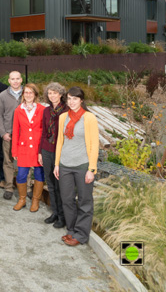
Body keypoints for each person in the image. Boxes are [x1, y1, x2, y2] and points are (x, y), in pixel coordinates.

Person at [54, 87, 99, 246]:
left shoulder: (89, 118)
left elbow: (94, 144)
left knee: (85, 201)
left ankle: (81, 235)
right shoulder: (63, 117)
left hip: (82, 166)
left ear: (81, 100)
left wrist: (91, 169)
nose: (72, 102)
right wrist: (57, 164)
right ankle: (72, 230)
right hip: (65, 165)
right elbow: (60, 141)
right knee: (67, 199)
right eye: (69, 99)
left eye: (75, 98)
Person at [11, 84, 45, 212]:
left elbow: (45, 131)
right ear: (23, 94)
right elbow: (15, 131)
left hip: (38, 149)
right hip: (23, 148)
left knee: (39, 174)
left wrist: (43, 150)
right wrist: (14, 150)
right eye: (26, 92)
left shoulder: (42, 109)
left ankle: (35, 200)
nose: (28, 95)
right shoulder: (18, 110)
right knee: (21, 175)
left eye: (31, 93)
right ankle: (22, 199)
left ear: (35, 94)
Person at [40, 82, 68, 228]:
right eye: (49, 93)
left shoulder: (67, 110)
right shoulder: (46, 111)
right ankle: (55, 212)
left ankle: (63, 216)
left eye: (55, 93)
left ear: (61, 94)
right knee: (50, 183)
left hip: (61, 151)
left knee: (60, 185)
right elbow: (44, 132)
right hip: (46, 150)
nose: (52, 96)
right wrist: (40, 152)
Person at [0, 71, 23, 200]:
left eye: (17, 78)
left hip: (24, 135)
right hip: (9, 134)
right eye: (13, 79)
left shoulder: (27, 94)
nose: (15, 81)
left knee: (25, 162)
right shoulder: (3, 95)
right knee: (8, 162)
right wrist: (3, 133)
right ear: (9, 80)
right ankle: (9, 188)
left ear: (21, 80)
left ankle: (26, 188)